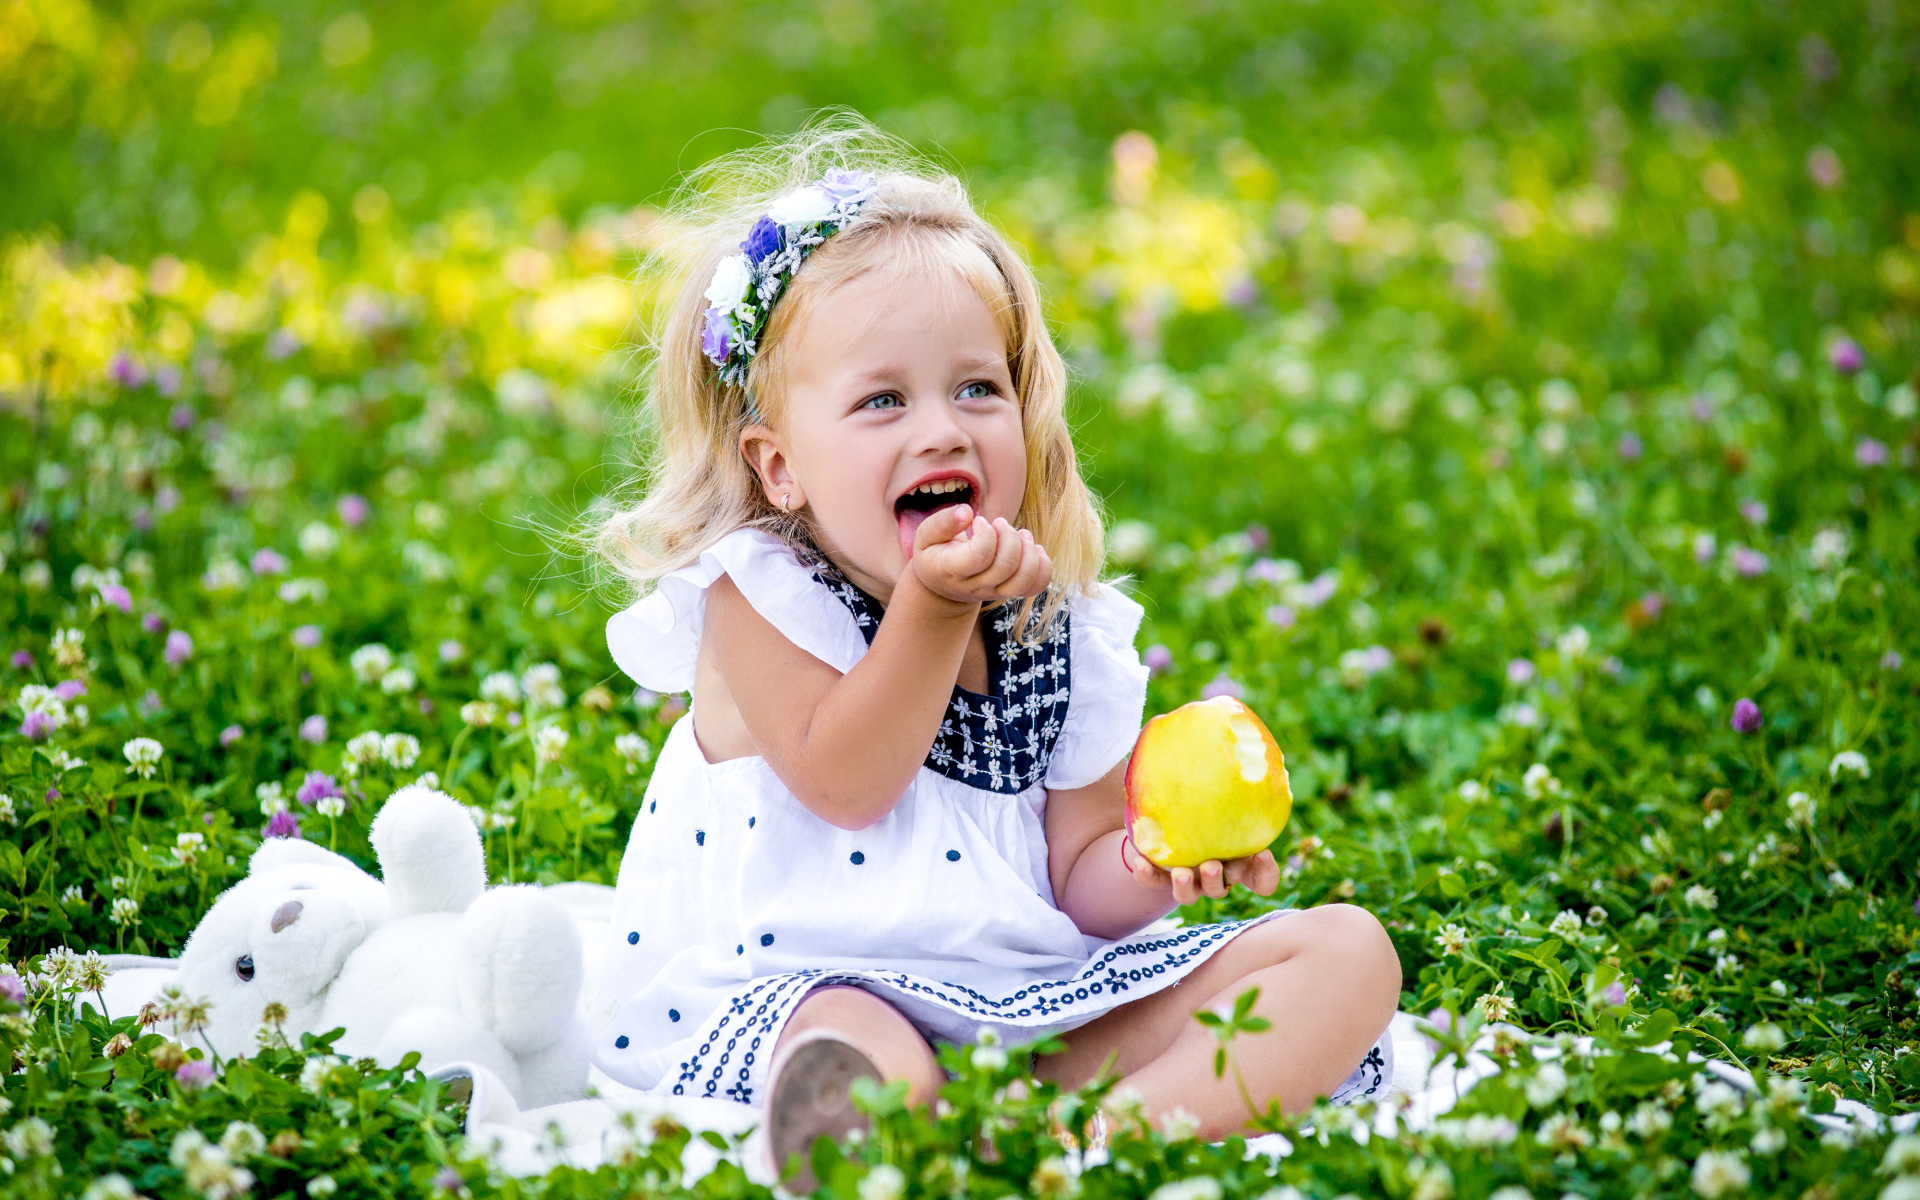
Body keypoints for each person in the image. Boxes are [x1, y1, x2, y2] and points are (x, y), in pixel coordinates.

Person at [591, 121, 1400, 1182]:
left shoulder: (1060, 627)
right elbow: (846, 781)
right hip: (814, 980)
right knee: (850, 1043)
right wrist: (930, 610)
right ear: (779, 465)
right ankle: (887, 1123)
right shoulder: (760, 591)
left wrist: (1158, 861)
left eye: (978, 389)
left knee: (1346, 955)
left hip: (1034, 1010)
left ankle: (1084, 1137)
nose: (943, 430)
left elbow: (1078, 884)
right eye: (883, 400)